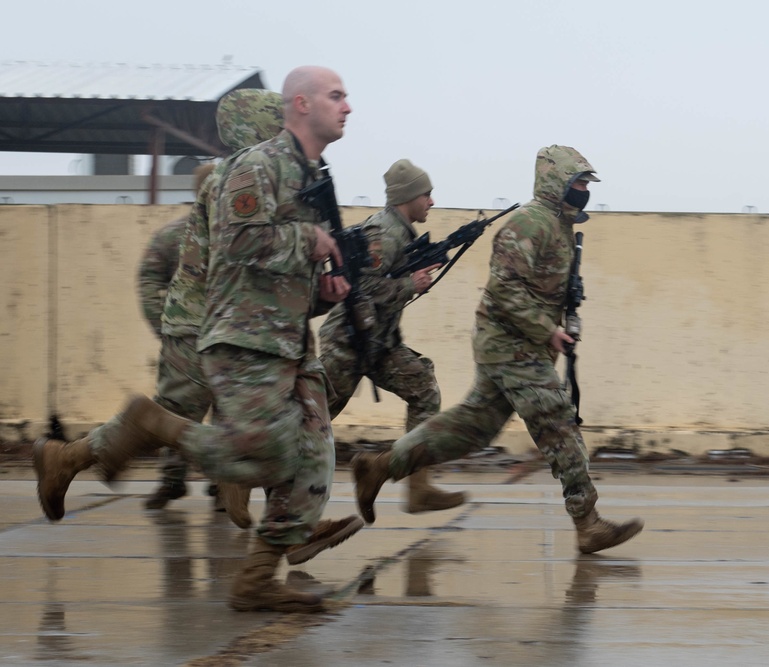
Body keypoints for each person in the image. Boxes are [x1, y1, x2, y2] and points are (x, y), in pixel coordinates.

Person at [34, 66, 362, 613]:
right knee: (252, 451)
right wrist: (166, 317)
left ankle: (265, 567)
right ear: (298, 106)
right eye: (336, 96)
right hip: (231, 333)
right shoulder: (251, 170)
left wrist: (327, 292)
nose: (347, 106)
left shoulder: (307, 177)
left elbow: (287, 270)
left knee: (313, 452)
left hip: (282, 337)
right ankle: (124, 439)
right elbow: (235, 247)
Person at [352, 145, 644, 555]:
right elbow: (503, 289)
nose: (583, 190)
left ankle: (380, 466)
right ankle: (588, 522)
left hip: (517, 344)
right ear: (556, 181)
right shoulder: (529, 223)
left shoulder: (557, 226)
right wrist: (547, 329)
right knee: (557, 423)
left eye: (586, 183)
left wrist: (560, 321)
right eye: (578, 182)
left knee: (471, 428)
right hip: (510, 343)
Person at [318, 159, 465, 515]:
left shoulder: (400, 232)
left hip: (378, 342)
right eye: (426, 194)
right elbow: (359, 288)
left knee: (424, 389)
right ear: (409, 196)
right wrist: (408, 284)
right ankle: (239, 472)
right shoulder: (384, 233)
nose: (431, 201)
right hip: (348, 343)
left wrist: (411, 275)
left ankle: (416, 487)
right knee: (311, 421)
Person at [137, 162, 225, 512]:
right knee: (177, 411)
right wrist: (164, 326)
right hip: (192, 339)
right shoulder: (177, 235)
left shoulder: (226, 235)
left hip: (224, 339)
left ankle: (220, 485)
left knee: (213, 414)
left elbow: (148, 281)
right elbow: (149, 280)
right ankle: (174, 481)